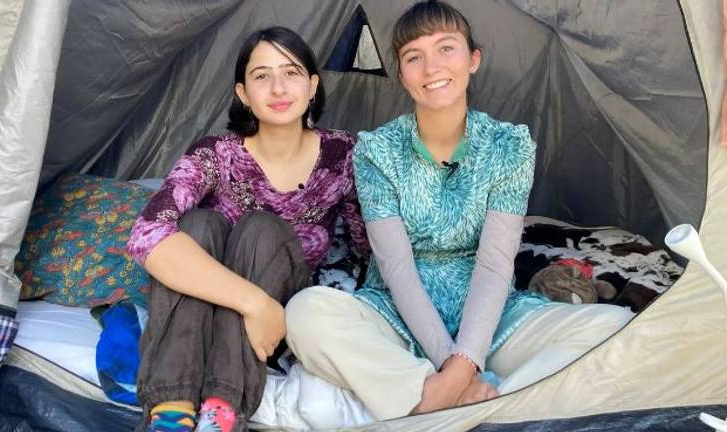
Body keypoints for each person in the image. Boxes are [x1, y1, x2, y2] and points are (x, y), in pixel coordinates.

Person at [285, 1, 634, 421]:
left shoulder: (508, 146)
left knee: (612, 330)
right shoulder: (377, 151)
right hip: (397, 316)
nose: (432, 67)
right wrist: (454, 370)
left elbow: (494, 264)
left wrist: (465, 359)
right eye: (414, 57)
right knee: (306, 313)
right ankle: (480, 402)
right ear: (402, 73)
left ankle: (428, 405)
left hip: (491, 320)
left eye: (446, 48)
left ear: (473, 60)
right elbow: (395, 266)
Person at [127, 26, 368, 432]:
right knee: (197, 224)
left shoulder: (344, 155)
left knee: (261, 229)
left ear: (312, 86)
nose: (278, 87)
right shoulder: (215, 154)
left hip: (278, 314)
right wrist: (253, 302)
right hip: (231, 303)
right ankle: (171, 412)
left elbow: (367, 245)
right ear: (243, 93)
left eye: (291, 73)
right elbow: (147, 234)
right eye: (261, 76)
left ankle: (221, 412)